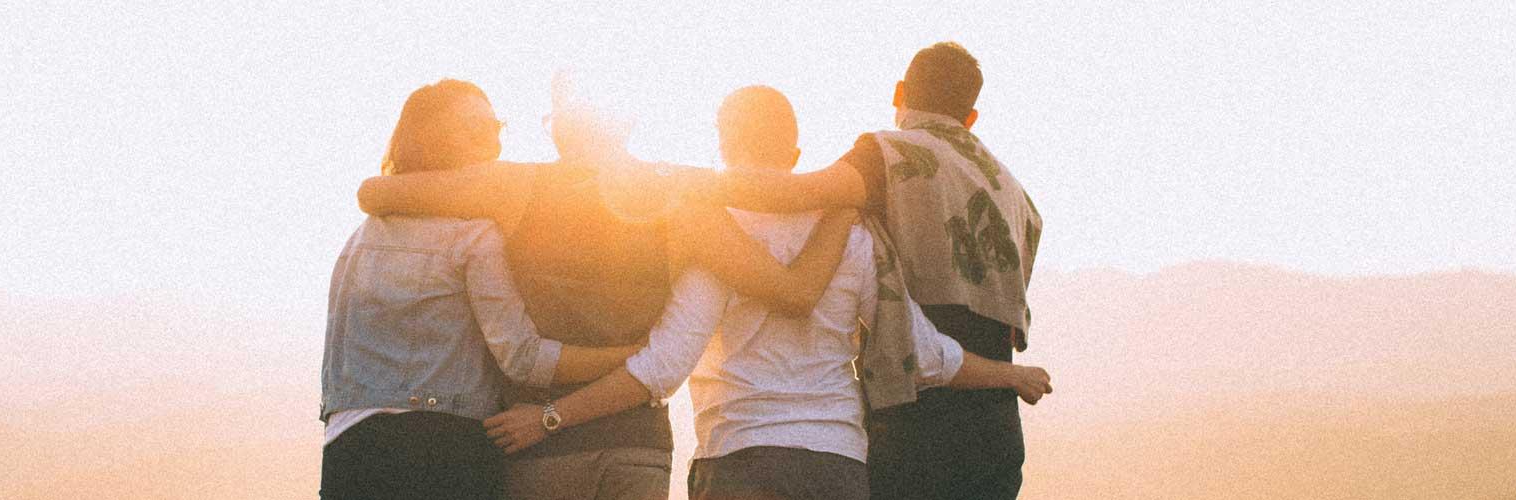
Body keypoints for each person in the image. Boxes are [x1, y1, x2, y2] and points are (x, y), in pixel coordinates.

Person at [481, 86, 1051, 500]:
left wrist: (550, 416)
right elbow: (923, 353)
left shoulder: (715, 236)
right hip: (836, 465)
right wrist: (1013, 374)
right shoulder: (853, 234)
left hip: (739, 460)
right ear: (797, 156)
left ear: (723, 148)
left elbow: (663, 367)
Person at [356, 74, 856, 500]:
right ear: (627, 122)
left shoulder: (511, 186)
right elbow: (793, 292)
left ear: (559, 126)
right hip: (635, 448)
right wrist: (845, 204)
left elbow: (376, 193)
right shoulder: (682, 201)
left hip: (536, 450)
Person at [703, 42, 1047, 500]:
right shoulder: (1016, 195)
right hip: (993, 426)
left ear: (900, 92)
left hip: (911, 424)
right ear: (971, 116)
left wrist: (676, 184)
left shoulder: (889, 155)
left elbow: (797, 195)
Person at [319, 79, 639, 500]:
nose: (493, 144)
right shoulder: (474, 235)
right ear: (432, 138)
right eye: (474, 129)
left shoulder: (358, 239)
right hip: (446, 449)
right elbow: (522, 358)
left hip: (349, 448)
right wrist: (630, 359)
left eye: (496, 128)